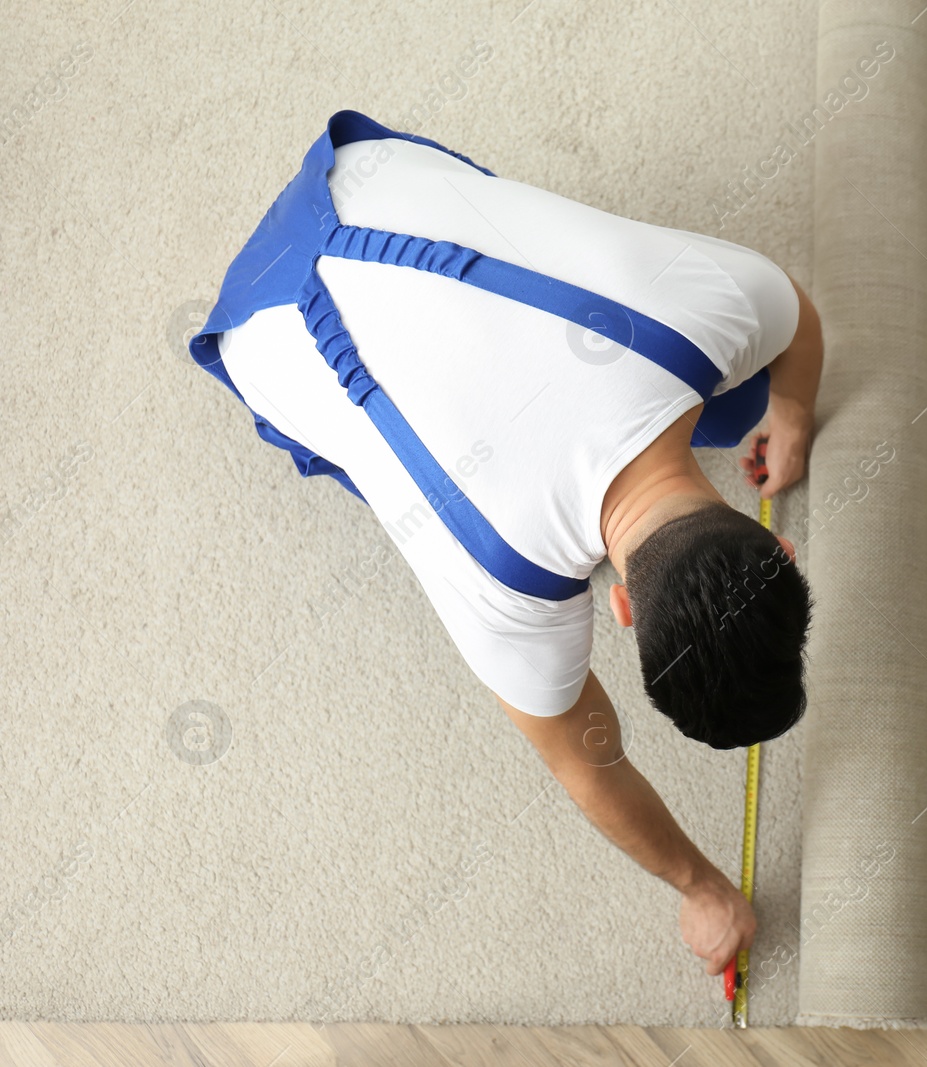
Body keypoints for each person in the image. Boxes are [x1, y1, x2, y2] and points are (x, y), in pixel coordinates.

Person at [189, 111, 822, 981]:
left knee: (734, 395)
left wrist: (787, 416)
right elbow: (588, 763)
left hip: (370, 179)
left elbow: (794, 312)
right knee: (380, 467)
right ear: (622, 605)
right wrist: (698, 887)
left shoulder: (712, 306)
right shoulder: (501, 587)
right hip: (260, 331)